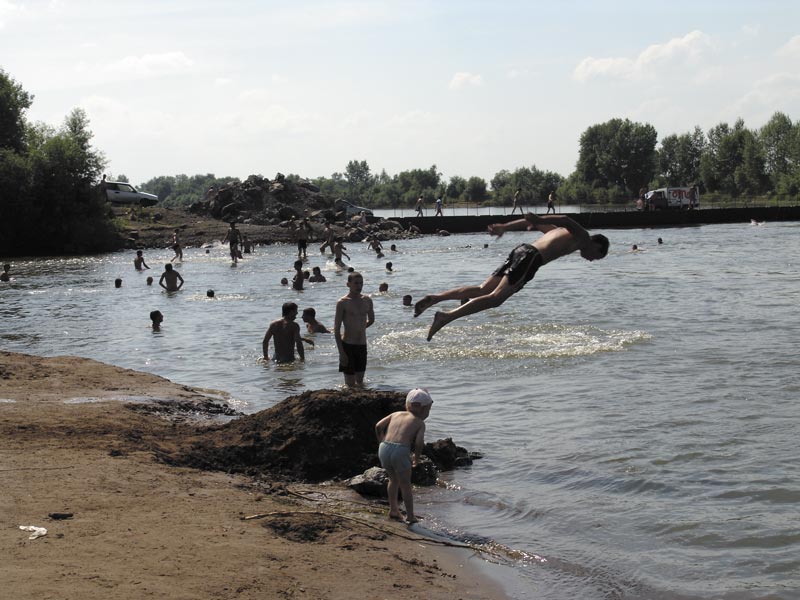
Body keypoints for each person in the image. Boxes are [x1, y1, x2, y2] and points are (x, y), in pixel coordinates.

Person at [415, 213, 609, 341]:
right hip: (531, 258)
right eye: (596, 255)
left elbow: (531, 223)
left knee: (483, 289)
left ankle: (437, 298)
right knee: (495, 299)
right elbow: (565, 219)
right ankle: (446, 317)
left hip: (521, 250)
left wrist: (505, 227)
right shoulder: (583, 237)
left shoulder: (558, 232)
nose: (592, 259)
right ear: (596, 244)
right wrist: (539, 217)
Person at [374, 388, 433, 523]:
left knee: (393, 480)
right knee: (405, 484)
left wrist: (381, 441)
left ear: (407, 405)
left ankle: (393, 510)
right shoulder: (419, 423)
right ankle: (410, 516)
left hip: (384, 447)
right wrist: (416, 458)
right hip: (400, 450)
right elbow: (419, 443)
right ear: (424, 409)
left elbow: (378, 426)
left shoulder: (396, 414)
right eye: (429, 409)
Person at [334, 271, 374, 387]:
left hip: (362, 344)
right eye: (356, 283)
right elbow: (336, 329)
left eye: (361, 283)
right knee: (350, 384)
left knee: (360, 382)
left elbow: (371, 320)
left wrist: (360, 328)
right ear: (348, 284)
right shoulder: (342, 302)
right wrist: (341, 353)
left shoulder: (367, 300)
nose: (359, 286)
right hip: (348, 345)